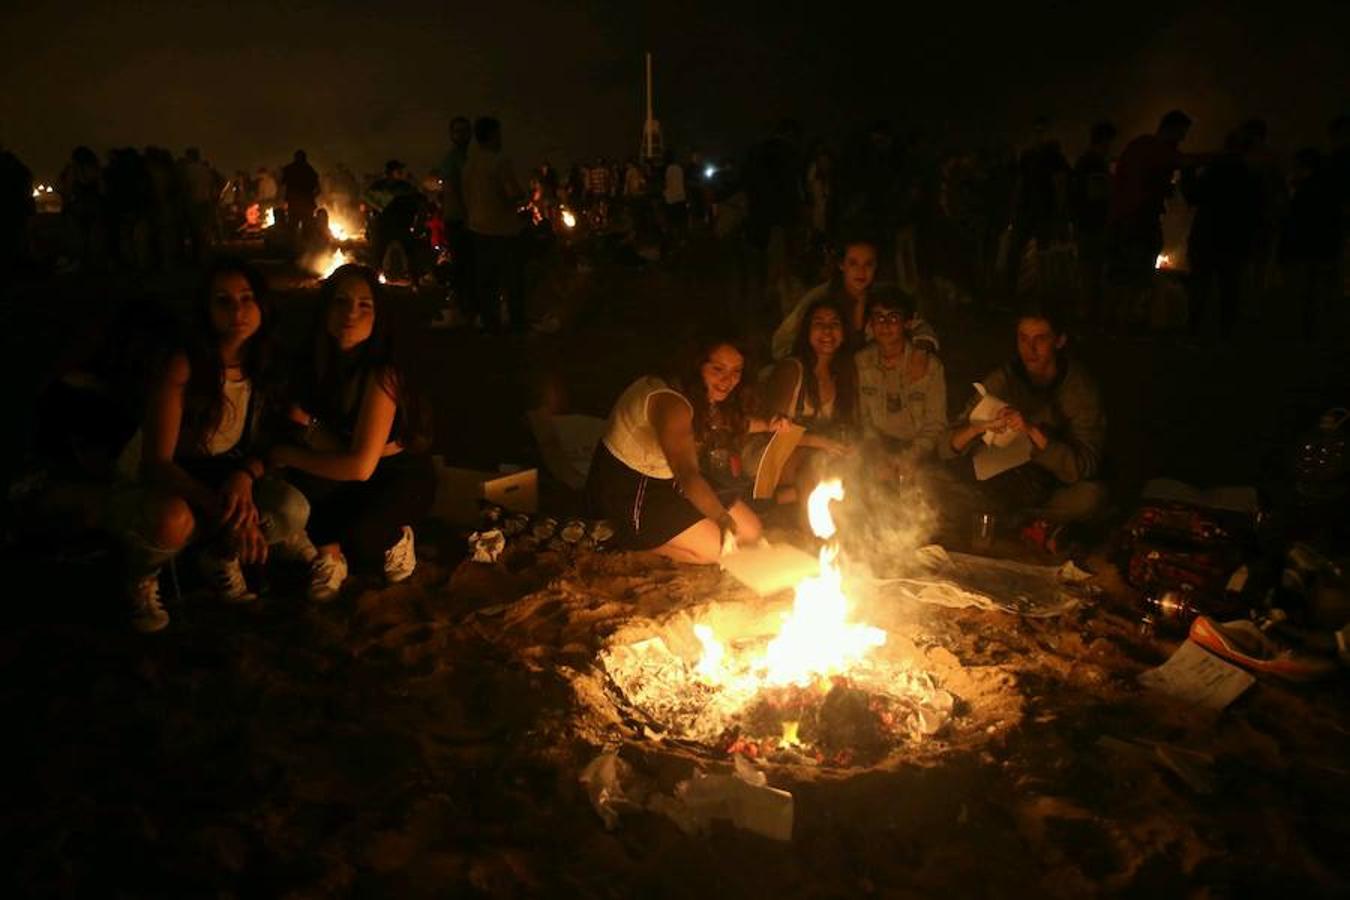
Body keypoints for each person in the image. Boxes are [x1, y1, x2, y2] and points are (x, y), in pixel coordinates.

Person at [114, 259, 313, 632]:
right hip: (168, 480)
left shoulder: (263, 364)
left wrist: (244, 477)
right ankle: (141, 575)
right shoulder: (184, 365)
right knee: (174, 519)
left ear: (261, 306)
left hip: (218, 473)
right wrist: (226, 512)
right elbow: (156, 463)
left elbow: (272, 442)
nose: (237, 310)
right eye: (223, 301)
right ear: (206, 311)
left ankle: (217, 555)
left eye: (246, 298)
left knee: (291, 508)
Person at [268, 264, 435, 601]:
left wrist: (285, 454)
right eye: (341, 302)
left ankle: (397, 537)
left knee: (363, 539)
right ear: (326, 309)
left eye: (364, 305)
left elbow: (361, 466)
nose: (350, 314)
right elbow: (304, 430)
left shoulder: (382, 374)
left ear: (378, 317)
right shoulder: (316, 364)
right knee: (307, 481)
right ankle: (330, 556)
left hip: (395, 474)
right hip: (342, 464)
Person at [585, 332, 785, 563]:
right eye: (718, 369)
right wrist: (720, 517)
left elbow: (724, 423)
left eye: (736, 371)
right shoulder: (671, 403)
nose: (728, 380)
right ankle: (630, 543)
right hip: (633, 490)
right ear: (697, 365)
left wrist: (770, 425)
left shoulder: (698, 392)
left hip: (671, 481)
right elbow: (687, 473)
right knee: (718, 550)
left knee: (752, 531)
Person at [944, 307, 1106, 528]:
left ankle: (1022, 521)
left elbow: (1085, 465)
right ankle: (1010, 520)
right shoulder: (1003, 379)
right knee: (931, 481)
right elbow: (946, 446)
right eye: (1023, 339)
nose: (1030, 349)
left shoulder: (1079, 389)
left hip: (1050, 488)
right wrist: (978, 428)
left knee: (1090, 497)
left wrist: (1031, 431)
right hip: (1001, 482)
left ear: (1059, 341)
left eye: (1040, 339)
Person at [1105, 110, 1206, 327]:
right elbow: (1181, 161)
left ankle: (1121, 319)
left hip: (1131, 218)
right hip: (1135, 218)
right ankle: (1125, 319)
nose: (1183, 139)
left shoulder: (1143, 147)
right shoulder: (1151, 148)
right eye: (1182, 133)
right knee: (1135, 270)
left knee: (1131, 270)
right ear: (1171, 129)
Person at [753, 299, 858, 509]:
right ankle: (818, 536)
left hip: (815, 455)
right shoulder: (792, 370)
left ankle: (788, 497)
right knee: (815, 466)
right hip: (769, 456)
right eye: (819, 324)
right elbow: (771, 430)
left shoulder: (843, 375)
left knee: (855, 463)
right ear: (806, 331)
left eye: (834, 324)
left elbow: (847, 427)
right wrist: (820, 442)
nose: (827, 331)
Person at [772, 233, 938, 361]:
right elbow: (782, 342)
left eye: (868, 264)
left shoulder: (881, 297)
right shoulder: (821, 298)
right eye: (853, 263)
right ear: (842, 265)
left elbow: (919, 326)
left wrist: (921, 351)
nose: (861, 271)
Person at [854, 286, 948, 476]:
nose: (885, 325)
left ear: (907, 323)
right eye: (879, 317)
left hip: (921, 451)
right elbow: (863, 419)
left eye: (893, 317)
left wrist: (910, 457)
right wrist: (878, 454)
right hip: (878, 449)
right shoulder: (861, 363)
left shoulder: (930, 366)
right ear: (871, 323)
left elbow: (936, 423)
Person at [1182, 129, 1261, 339]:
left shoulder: (1215, 171)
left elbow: (1193, 195)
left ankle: (1194, 329)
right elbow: (1255, 211)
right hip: (1235, 240)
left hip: (1207, 237)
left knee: (1200, 286)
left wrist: (1188, 172)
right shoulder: (1250, 175)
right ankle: (1226, 332)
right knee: (1230, 288)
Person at [462, 117, 527, 333]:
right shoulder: (500, 162)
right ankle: (517, 322)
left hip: (477, 229)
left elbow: (467, 196)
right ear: (491, 135)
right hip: (503, 229)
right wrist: (521, 197)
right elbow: (512, 194)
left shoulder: (469, 165)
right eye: (498, 134)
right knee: (512, 280)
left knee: (486, 281)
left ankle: (491, 323)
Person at [1280, 147, 1343, 339]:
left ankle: (1306, 330)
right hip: (1325, 248)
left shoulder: (1305, 190)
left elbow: (1295, 220)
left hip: (1305, 249)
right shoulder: (1330, 188)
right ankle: (1320, 330)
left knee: (1305, 291)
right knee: (1320, 290)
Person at [1071, 122, 1117, 320]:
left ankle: (1086, 311)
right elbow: (1096, 193)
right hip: (1093, 222)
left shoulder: (1084, 161)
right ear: (1105, 141)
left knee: (1088, 268)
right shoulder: (1094, 162)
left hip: (1085, 221)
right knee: (1092, 269)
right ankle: (1089, 312)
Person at [432, 116, 474, 328]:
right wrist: (465, 214)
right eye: (457, 131)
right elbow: (453, 190)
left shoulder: (471, 157)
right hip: (459, 218)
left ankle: (468, 306)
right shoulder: (451, 160)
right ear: (451, 135)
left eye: (465, 130)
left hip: (470, 217)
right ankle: (462, 307)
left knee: (471, 263)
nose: (462, 135)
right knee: (462, 264)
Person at [179, 147, 219, 263]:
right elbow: (213, 185)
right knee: (205, 230)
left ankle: (197, 257)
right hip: (205, 202)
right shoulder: (205, 170)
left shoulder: (187, 170)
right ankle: (206, 254)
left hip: (193, 203)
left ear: (189, 156)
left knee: (195, 231)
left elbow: (185, 187)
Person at [281, 150, 320, 243]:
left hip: (294, 202)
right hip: (306, 203)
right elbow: (318, 189)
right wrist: (312, 197)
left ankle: (292, 246)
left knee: (292, 226)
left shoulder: (288, 169)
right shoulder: (310, 170)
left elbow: (282, 184)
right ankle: (306, 248)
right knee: (307, 228)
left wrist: (285, 198)